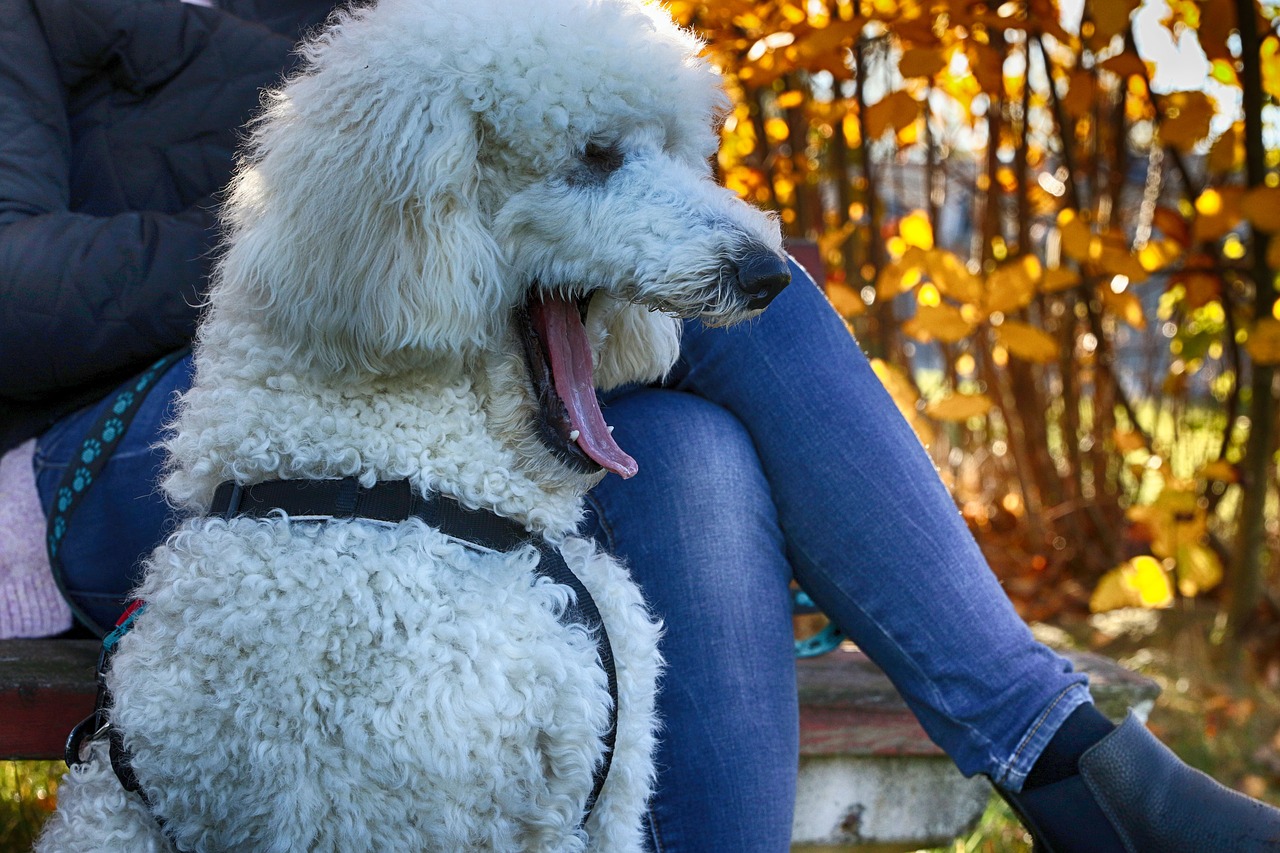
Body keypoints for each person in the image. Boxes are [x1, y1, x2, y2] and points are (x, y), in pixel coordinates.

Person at [2, 1, 1278, 851]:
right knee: (759, 324)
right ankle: (1060, 760)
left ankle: (1051, 760)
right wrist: (323, 225)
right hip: (129, 452)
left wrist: (494, 229)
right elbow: (13, 284)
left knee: (691, 448)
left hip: (433, 417)